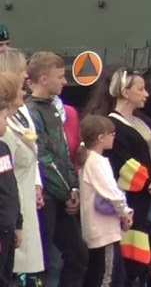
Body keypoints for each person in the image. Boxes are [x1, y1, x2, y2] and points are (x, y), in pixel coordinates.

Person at [84, 68, 151, 287]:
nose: (146, 94)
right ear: (125, 92)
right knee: (131, 259)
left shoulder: (143, 121)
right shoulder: (111, 125)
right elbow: (121, 164)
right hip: (132, 202)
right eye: (140, 89)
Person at [26, 52, 88, 287]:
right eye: (60, 77)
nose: (65, 81)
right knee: (44, 260)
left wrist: (74, 187)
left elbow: (65, 153)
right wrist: (67, 191)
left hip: (61, 194)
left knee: (78, 256)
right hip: (47, 196)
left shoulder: (53, 108)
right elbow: (44, 156)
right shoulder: (32, 111)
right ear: (43, 79)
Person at [78, 114, 133, 287]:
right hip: (104, 232)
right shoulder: (97, 161)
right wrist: (125, 212)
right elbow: (112, 192)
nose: (114, 137)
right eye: (111, 134)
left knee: (100, 273)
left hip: (99, 231)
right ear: (101, 138)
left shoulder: (87, 159)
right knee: (109, 277)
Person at [0, 72, 26, 284]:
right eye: (3, 118)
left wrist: (18, 223)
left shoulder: (4, 149)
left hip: (8, 228)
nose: (6, 123)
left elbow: (10, 187)